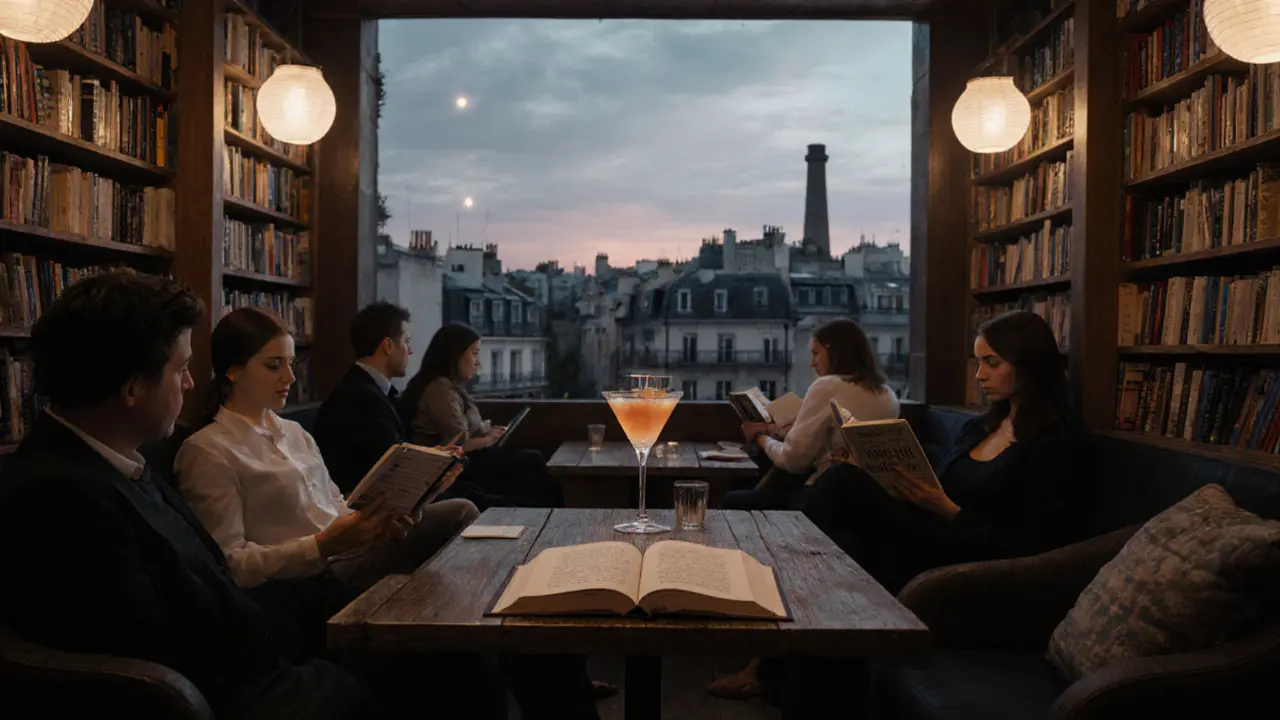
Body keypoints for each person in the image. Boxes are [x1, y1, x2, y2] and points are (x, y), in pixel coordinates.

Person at [0, 271, 370, 719]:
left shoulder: (120, 461)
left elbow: (212, 583)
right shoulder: (57, 498)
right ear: (133, 387)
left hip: (266, 655)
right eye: (181, 369)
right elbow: (164, 650)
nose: (192, 384)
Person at [777, 310, 1086, 719]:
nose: (979, 375)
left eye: (992, 363)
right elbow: (938, 484)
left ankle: (774, 647)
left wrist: (948, 509)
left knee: (838, 489)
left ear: (1029, 364)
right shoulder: (981, 428)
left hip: (967, 562)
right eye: (978, 362)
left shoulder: (1055, 445)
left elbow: (1031, 544)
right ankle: (796, 673)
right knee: (844, 493)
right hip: (929, 531)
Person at [175, 307, 477, 598]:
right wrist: (320, 546)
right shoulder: (208, 450)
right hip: (314, 575)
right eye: (273, 365)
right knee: (460, 516)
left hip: (348, 548)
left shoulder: (294, 433)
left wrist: (380, 523)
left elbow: (335, 505)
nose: (290, 378)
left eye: (291, 363)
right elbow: (229, 564)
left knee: (460, 514)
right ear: (233, 371)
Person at [722, 318, 900, 512]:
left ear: (834, 352)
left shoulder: (827, 386)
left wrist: (760, 437)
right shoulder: (887, 393)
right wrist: (775, 430)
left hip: (829, 501)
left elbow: (792, 460)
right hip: (873, 502)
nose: (811, 362)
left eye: (816, 353)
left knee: (733, 500)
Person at [400, 322, 564, 510]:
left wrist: (487, 434)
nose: (478, 362)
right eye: (474, 353)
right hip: (459, 467)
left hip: (470, 460)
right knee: (532, 463)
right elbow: (459, 443)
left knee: (534, 467)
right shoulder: (439, 390)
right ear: (454, 355)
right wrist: (489, 440)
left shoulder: (452, 387)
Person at [312, 300, 417, 495]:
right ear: (388, 346)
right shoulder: (360, 399)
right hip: (373, 512)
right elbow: (395, 471)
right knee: (466, 507)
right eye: (406, 342)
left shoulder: (373, 391)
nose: (410, 351)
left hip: (391, 499)